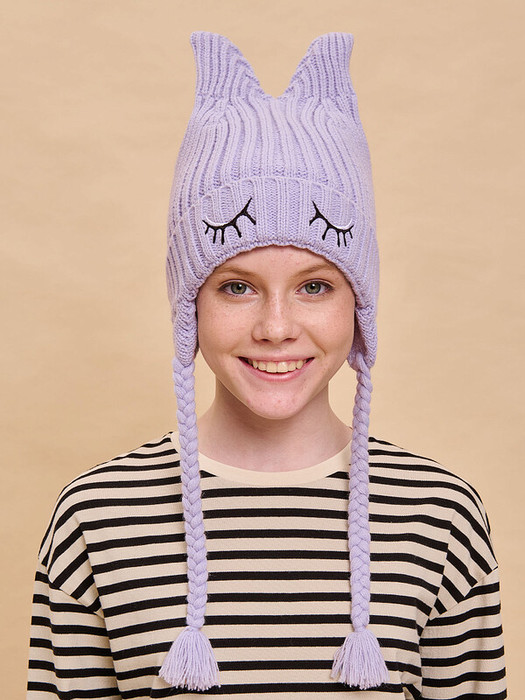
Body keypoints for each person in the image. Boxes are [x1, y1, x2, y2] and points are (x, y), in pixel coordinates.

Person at [27, 32, 506, 699]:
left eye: (314, 286)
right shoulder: (96, 518)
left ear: (358, 303)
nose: (276, 327)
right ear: (189, 304)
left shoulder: (439, 517)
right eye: (236, 286)